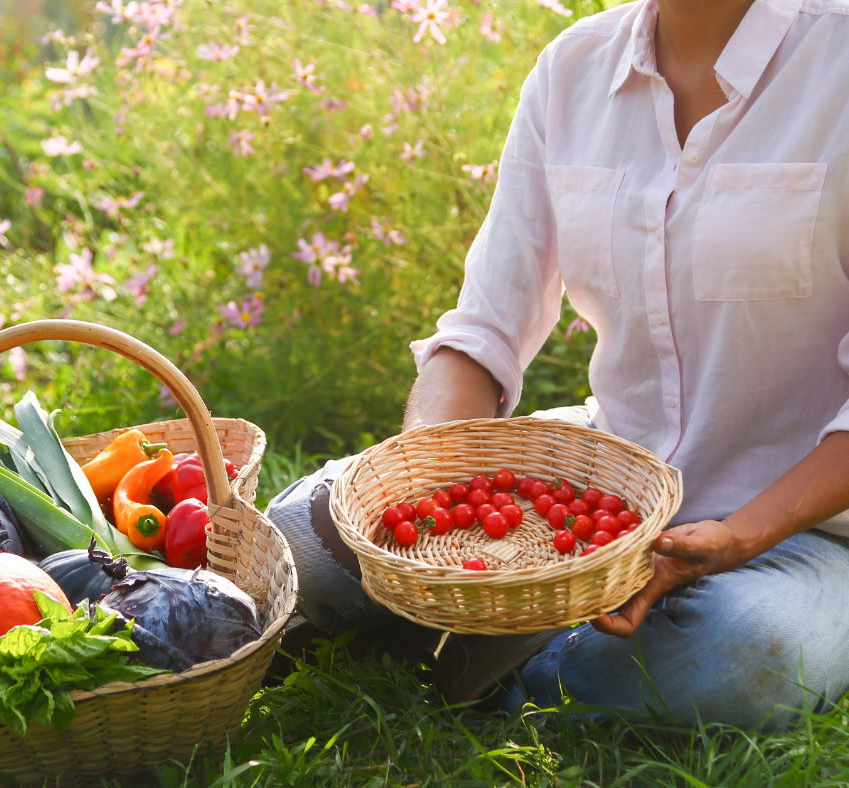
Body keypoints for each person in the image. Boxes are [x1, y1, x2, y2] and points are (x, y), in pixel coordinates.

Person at [267, 0, 849, 730]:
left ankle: (481, 664)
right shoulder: (573, 68)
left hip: (804, 526)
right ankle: (500, 640)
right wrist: (424, 482)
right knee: (301, 531)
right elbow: (484, 329)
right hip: (605, 485)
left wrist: (744, 534)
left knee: (739, 657)